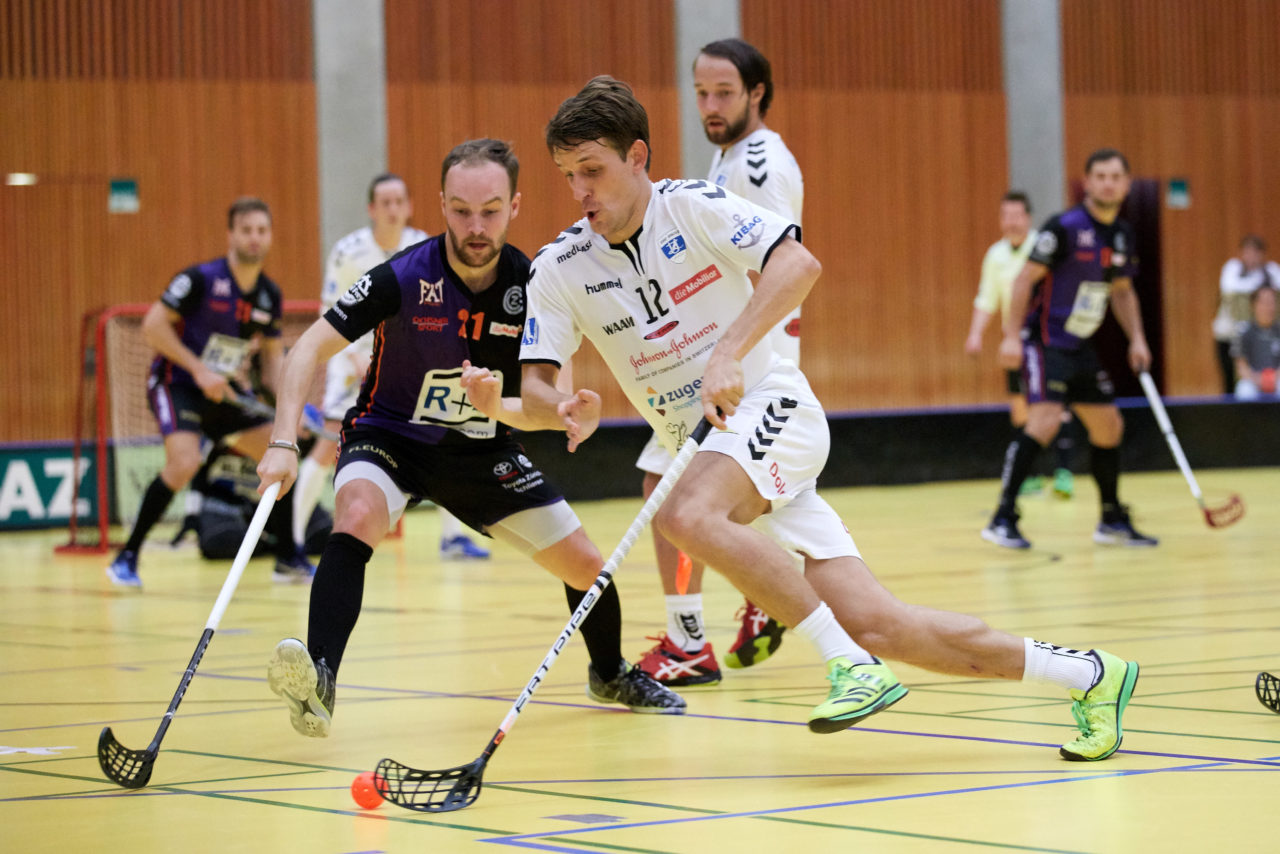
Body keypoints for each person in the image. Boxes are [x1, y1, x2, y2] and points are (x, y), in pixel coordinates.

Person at [521, 76, 1139, 760]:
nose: (580, 192)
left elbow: (798, 263)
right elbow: (538, 383)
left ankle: (848, 666)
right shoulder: (558, 267)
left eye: (592, 171)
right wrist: (562, 408)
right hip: (716, 451)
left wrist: (728, 350)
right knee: (883, 625)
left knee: (683, 516)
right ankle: (1090, 675)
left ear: (637, 157)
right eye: (567, 176)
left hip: (772, 408)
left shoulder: (694, 208)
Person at [256, 139, 684, 738]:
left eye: (489, 210)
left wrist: (562, 411)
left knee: (588, 564)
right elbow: (307, 348)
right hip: (390, 438)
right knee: (354, 514)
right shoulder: (402, 276)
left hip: (483, 452)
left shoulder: (534, 285)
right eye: (460, 211)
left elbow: (535, 403)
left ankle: (609, 671)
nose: (475, 226)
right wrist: (281, 442)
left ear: (514, 205)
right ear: (440, 206)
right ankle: (320, 678)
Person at [633, 38, 800, 686]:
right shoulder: (730, 155)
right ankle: (747, 600)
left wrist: (728, 353)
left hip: (743, 365)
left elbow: (780, 264)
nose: (708, 104)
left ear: (756, 93)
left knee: (677, 493)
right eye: (700, 92)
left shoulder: (758, 163)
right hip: (724, 357)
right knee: (683, 493)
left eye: (723, 92)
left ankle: (692, 638)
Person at [104, 197, 313, 588]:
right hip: (178, 385)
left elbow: (271, 364)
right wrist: (198, 370)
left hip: (225, 396)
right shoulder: (199, 279)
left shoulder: (268, 294)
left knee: (283, 448)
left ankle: (287, 557)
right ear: (231, 234)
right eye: (247, 230)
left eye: (262, 230)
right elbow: (153, 326)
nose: (255, 238)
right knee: (183, 463)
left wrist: (291, 410)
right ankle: (127, 557)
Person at [292, 174, 492, 562]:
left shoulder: (425, 247)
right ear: (371, 209)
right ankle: (293, 545)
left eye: (399, 201)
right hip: (353, 360)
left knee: (443, 432)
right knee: (326, 444)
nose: (393, 209)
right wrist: (355, 360)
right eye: (384, 203)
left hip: (408, 361)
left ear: (410, 206)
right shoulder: (348, 252)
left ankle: (451, 537)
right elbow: (329, 312)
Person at [982, 149, 1158, 551]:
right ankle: (1003, 517)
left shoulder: (1121, 235)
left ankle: (1111, 519)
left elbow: (1123, 292)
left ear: (1127, 184)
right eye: (1100, 176)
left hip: (1080, 347)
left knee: (1109, 426)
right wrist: (1010, 336)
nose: (1108, 183)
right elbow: (1025, 280)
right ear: (1088, 181)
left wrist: (1138, 339)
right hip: (1045, 342)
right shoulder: (1063, 227)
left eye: (1116, 176)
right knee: (1043, 421)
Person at [965, 191, 1077, 499]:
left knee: (1056, 408)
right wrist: (975, 334)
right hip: (1014, 344)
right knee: (1020, 409)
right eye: (1006, 216)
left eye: (1017, 216)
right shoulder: (995, 255)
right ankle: (1032, 476)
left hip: (1047, 341)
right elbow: (987, 299)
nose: (1011, 222)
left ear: (1028, 218)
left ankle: (1064, 472)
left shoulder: (1043, 248)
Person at [1213, 235, 1279, 394]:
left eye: (1255, 252)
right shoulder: (1233, 267)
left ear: (1262, 254)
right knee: (1234, 380)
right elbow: (1228, 288)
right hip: (1230, 333)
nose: (1251, 257)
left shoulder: (1270, 269)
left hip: (1267, 328)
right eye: (1247, 252)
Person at [1231, 284, 1280, 399]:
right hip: (1252, 380)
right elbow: (1241, 366)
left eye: (1272, 302)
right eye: (1264, 302)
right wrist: (1258, 380)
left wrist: (1273, 378)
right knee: (1244, 390)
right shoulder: (1243, 331)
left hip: (1277, 379)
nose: (1269, 307)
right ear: (1254, 305)